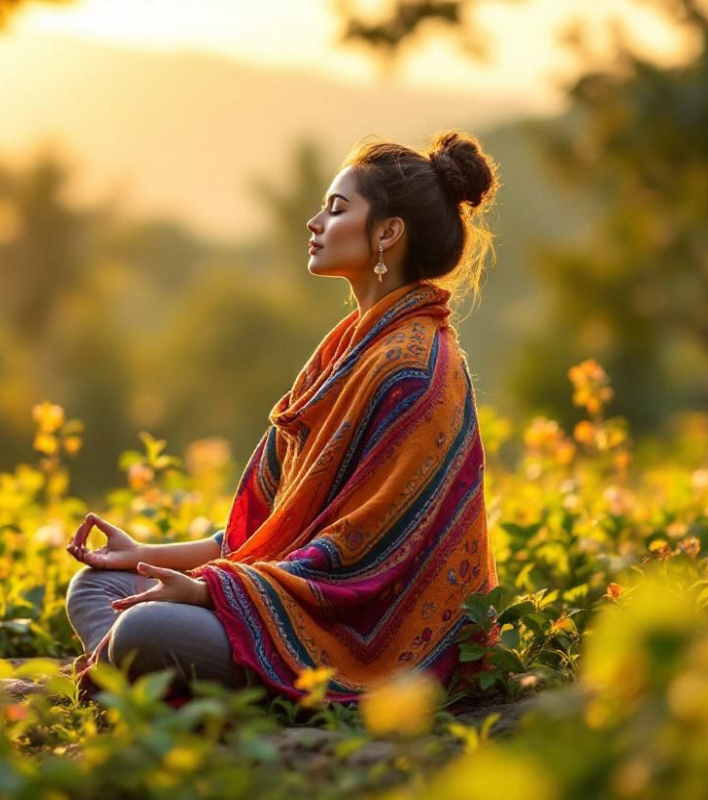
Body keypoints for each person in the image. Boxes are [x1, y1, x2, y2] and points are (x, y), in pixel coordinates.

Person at [65, 130, 502, 704]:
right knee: (96, 585)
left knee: (146, 629)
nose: (315, 222)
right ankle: (156, 672)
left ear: (388, 233)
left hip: (361, 641)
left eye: (337, 208)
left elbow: (358, 558)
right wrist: (141, 557)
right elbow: (265, 535)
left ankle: (163, 674)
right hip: (283, 598)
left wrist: (207, 595)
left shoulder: (413, 369)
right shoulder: (343, 354)